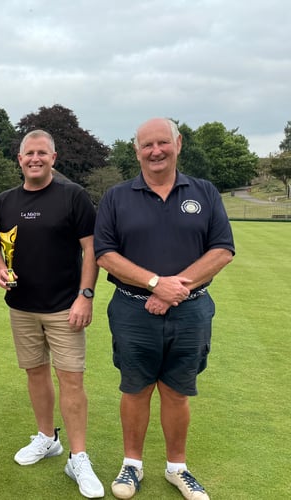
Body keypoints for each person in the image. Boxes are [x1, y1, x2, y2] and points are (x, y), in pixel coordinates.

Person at [94, 118, 234, 500]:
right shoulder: (117, 197)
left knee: (176, 392)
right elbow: (105, 254)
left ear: (178, 144)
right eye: (147, 145)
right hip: (132, 309)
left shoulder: (204, 192)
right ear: (136, 150)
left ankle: (177, 468)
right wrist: (155, 283)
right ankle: (132, 465)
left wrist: (175, 288)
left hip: (190, 311)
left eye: (163, 143)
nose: (155, 151)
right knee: (135, 389)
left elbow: (222, 250)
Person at [0, 130, 104, 498]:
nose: (34, 159)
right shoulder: (5, 201)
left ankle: (78, 457)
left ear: (54, 157)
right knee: (36, 375)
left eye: (42, 153)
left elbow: (91, 249)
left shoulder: (73, 196)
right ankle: (46, 437)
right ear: (19, 159)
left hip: (64, 308)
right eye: (28, 153)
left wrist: (85, 296)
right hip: (21, 308)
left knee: (71, 380)